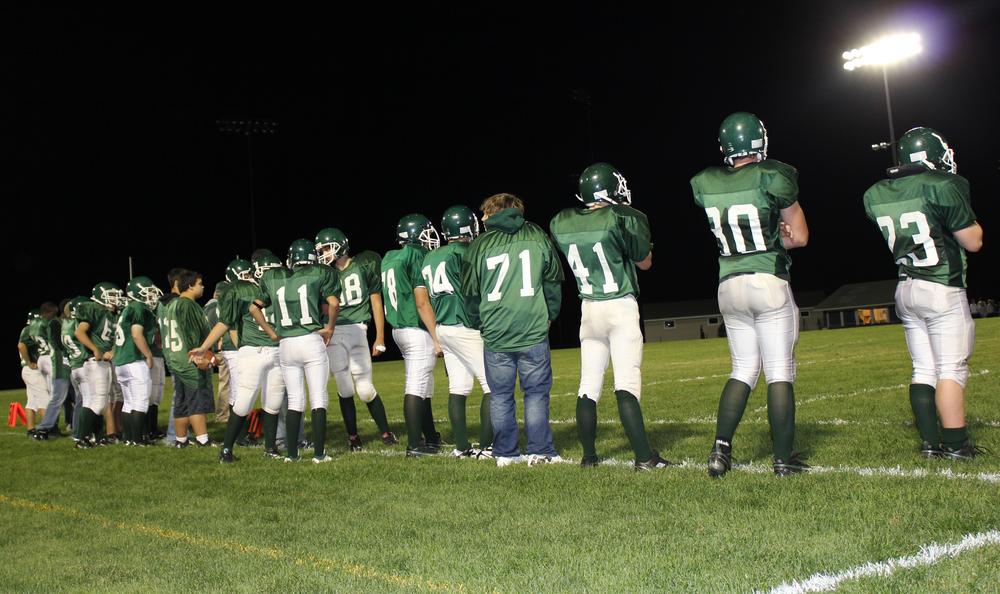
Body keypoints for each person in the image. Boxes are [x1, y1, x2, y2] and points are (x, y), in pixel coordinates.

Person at [690, 111, 809, 477]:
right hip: (767, 281)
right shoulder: (773, 176)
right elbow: (801, 236)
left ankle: (720, 449)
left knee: (742, 368)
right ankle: (782, 459)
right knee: (779, 370)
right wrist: (783, 234)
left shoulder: (706, 181)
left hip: (729, 285)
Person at [863, 126, 985, 460]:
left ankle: (930, 443)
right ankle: (957, 445)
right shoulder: (943, 185)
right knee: (951, 368)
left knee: (922, 369)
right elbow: (972, 241)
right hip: (941, 287)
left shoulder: (877, 193)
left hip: (906, 288)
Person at [550, 163, 668, 470]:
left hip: (589, 308)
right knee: (626, 382)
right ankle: (644, 457)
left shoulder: (563, 221)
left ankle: (589, 457)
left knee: (588, 383)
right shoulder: (625, 217)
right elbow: (645, 262)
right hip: (619, 306)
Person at [460, 193, 565, 467]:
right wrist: (551, 314)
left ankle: (506, 453)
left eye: (484, 213)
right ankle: (540, 450)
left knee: (501, 396)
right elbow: (552, 279)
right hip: (532, 326)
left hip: (496, 330)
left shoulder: (478, 246)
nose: (482, 218)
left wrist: (477, 322)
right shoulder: (536, 235)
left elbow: (470, 294)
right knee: (536, 393)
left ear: (494, 213)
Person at [250, 239, 340, 463]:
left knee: (295, 400)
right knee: (318, 397)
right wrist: (329, 328)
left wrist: (271, 332)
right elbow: (334, 303)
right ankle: (319, 454)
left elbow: (254, 307)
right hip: (310, 340)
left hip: (286, 344)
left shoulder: (274, 277)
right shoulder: (320, 273)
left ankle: (292, 454)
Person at [191, 251, 286, 463]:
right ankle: (226, 449)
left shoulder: (281, 287)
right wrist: (204, 347)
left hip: (277, 350)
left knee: (273, 402)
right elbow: (225, 322)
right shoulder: (241, 289)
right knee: (243, 402)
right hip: (252, 351)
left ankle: (270, 449)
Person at [315, 227, 397, 451]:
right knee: (345, 388)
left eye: (327, 248)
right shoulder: (325, 273)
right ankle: (353, 437)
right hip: (334, 331)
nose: (324, 253)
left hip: (358, 330)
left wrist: (380, 335)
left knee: (365, 389)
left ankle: (385, 431)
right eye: (321, 250)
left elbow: (376, 301)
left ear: (340, 245)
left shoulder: (364, 264)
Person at [421, 206, 494, 459]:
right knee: (492, 386)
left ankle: (461, 447)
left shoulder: (430, 257)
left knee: (459, 386)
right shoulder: (466, 253)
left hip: (443, 327)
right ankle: (487, 447)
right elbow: (475, 291)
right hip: (466, 326)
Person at [381, 214, 444, 457]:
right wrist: (436, 336)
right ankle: (415, 446)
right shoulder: (416, 255)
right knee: (417, 386)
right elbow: (421, 302)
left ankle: (431, 438)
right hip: (415, 328)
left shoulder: (389, 257)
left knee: (425, 386)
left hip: (399, 329)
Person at [160, 270, 217, 448]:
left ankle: (181, 440)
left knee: (181, 403)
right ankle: (202, 439)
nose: (203, 287)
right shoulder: (188, 305)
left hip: (175, 358)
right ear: (190, 285)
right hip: (189, 359)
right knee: (196, 402)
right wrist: (201, 357)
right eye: (200, 284)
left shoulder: (170, 305)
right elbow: (192, 334)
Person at [112, 276, 162, 446]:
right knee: (141, 400)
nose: (151, 296)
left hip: (121, 361)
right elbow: (136, 333)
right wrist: (148, 355)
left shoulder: (127, 308)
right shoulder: (139, 307)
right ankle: (137, 438)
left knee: (129, 402)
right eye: (148, 292)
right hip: (134, 359)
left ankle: (128, 438)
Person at [73, 282, 125, 447]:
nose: (115, 299)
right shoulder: (93, 309)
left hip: (103, 362)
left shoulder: (111, 315)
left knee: (93, 402)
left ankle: (97, 436)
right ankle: (81, 439)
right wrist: (95, 349)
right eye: (111, 295)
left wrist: (111, 350)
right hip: (94, 362)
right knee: (99, 402)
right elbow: (79, 332)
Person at [17, 310, 47, 435]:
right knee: (45, 400)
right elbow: (21, 345)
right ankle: (48, 430)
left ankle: (31, 430)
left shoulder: (27, 329)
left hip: (27, 370)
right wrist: (29, 362)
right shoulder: (30, 329)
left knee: (32, 402)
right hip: (32, 370)